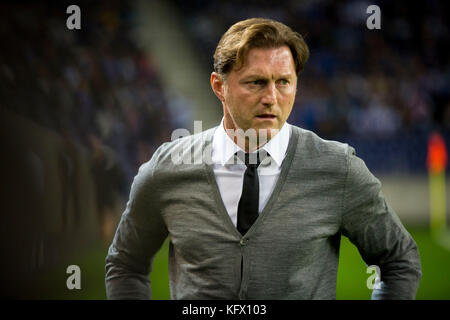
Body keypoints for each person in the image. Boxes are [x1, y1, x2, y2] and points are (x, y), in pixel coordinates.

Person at [105, 18, 422, 300]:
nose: (271, 97)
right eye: (256, 82)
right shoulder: (168, 169)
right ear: (219, 86)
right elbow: (125, 265)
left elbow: (399, 261)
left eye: (283, 82)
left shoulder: (337, 168)